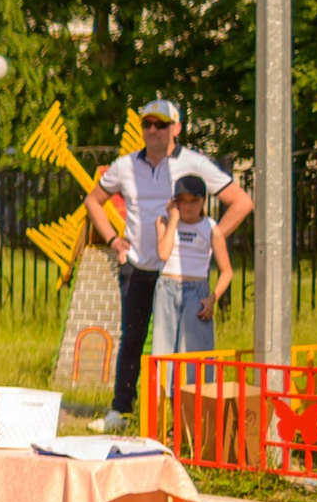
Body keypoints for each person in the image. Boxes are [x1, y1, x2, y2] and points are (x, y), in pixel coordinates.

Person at [83, 98, 252, 432]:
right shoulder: (125, 165)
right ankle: (122, 411)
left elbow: (242, 202)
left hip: (179, 273)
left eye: (161, 124)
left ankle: (183, 420)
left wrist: (210, 239)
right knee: (132, 339)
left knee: (184, 349)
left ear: (176, 127)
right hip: (137, 265)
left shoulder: (194, 163)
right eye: (147, 124)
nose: (153, 130)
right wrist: (113, 239)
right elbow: (93, 200)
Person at [150, 172, 232, 364]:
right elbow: (163, 254)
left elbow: (227, 271)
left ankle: (195, 385)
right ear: (174, 202)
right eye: (182, 201)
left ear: (202, 201)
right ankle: (164, 385)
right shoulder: (164, 222)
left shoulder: (210, 228)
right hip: (167, 287)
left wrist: (212, 298)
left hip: (196, 290)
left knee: (194, 351)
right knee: (163, 349)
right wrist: (173, 219)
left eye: (193, 201)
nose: (187, 207)